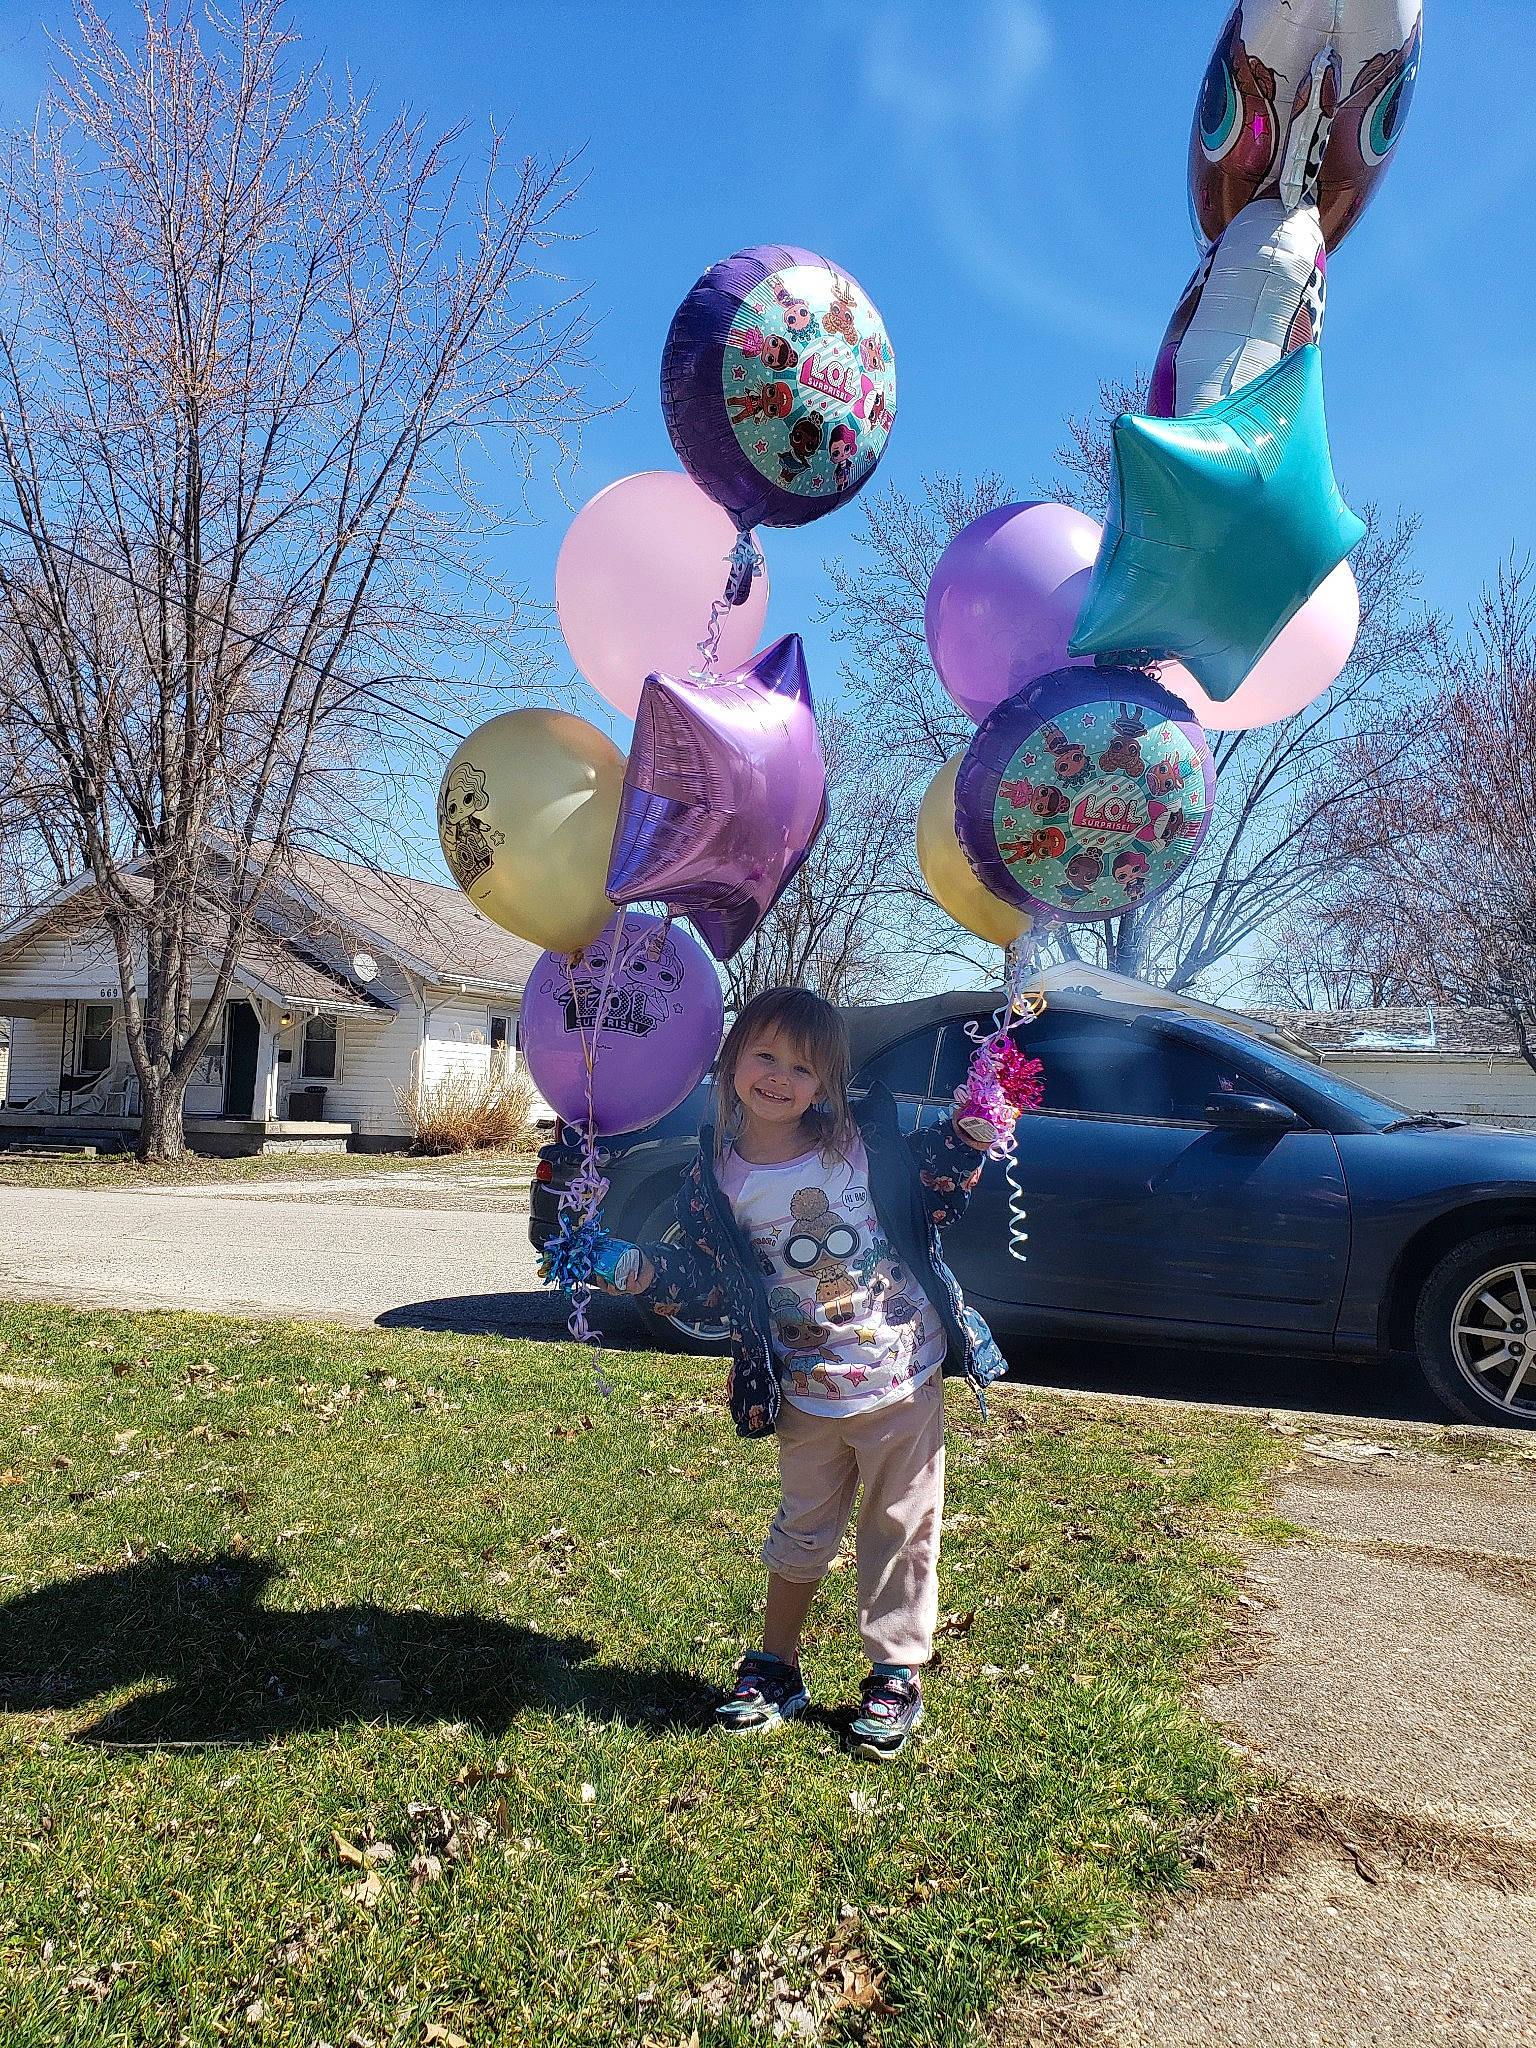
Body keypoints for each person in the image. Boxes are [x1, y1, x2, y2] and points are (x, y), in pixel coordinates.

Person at [604, 986, 1007, 1761]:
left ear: (826, 1083)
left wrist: (970, 1134)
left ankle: (894, 1675)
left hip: (902, 1375)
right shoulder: (715, 1180)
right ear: (730, 1062)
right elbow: (712, 1282)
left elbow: (935, 1188)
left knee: (901, 1531)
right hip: (805, 1387)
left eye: (803, 1066)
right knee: (801, 1532)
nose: (780, 1076)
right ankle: (776, 1664)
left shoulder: (859, 1145)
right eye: (764, 1055)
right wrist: (642, 1269)